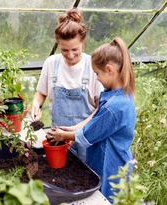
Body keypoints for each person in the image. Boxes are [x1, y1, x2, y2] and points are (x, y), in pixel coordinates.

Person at [46, 36, 136, 203]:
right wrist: (72, 129)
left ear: (110, 70)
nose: (97, 78)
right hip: (113, 160)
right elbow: (95, 119)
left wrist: (63, 136)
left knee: (106, 199)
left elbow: (90, 133)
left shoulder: (115, 106)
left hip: (111, 166)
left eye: (97, 73)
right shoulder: (118, 96)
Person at [31, 8, 104, 160]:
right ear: (58, 45)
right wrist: (36, 105)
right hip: (58, 140)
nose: (70, 55)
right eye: (65, 50)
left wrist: (72, 133)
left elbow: (99, 110)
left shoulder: (93, 66)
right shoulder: (51, 63)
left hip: (86, 140)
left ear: (83, 43)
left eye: (75, 50)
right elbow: (41, 93)